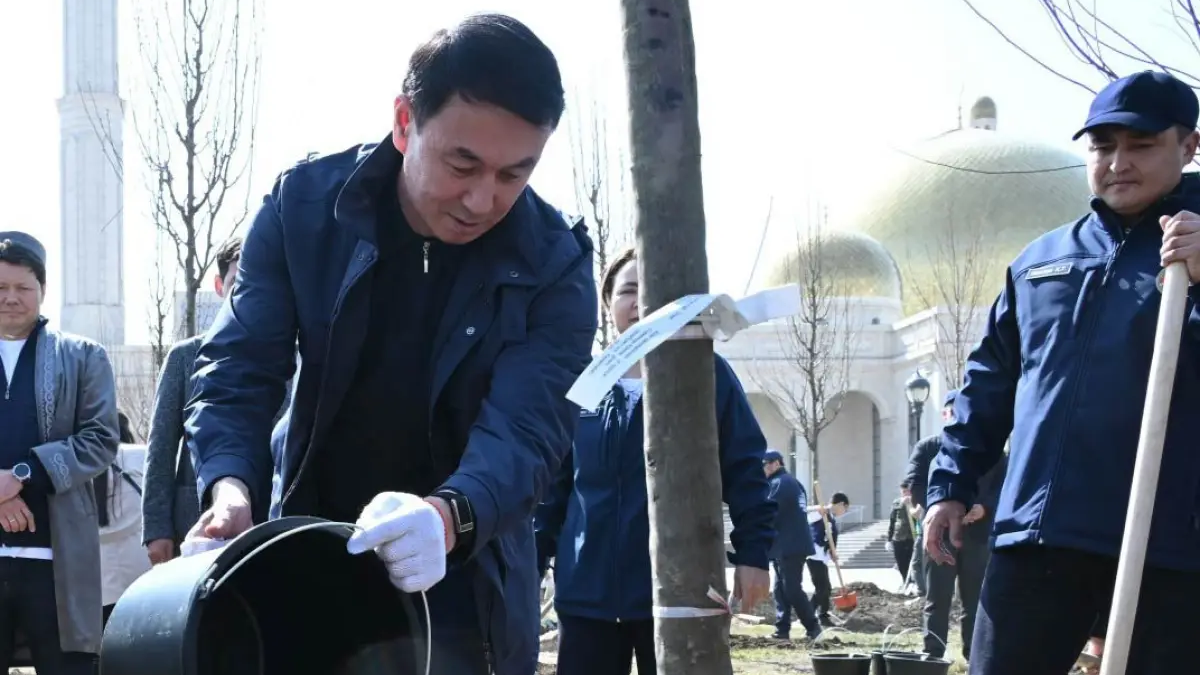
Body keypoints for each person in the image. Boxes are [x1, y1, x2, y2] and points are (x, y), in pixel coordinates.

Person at [182, 14, 596, 675]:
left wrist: (448, 514)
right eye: (463, 163)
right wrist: (230, 489)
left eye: (516, 173)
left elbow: (532, 424)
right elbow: (238, 367)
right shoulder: (305, 208)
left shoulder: (555, 260)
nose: (483, 199)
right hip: (310, 558)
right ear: (405, 122)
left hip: (466, 583)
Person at [924, 70, 1200, 675]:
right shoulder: (1042, 261)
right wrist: (951, 484)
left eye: (1142, 145)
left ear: (1188, 146)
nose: (1118, 163)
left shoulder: (1196, 251)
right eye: (1103, 146)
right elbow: (989, 383)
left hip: (1170, 543)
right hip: (1041, 534)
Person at [533, 248, 775, 674]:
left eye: (653, 293)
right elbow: (554, 487)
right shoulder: (587, 382)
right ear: (607, 303)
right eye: (627, 291)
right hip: (588, 597)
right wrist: (530, 563)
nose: (640, 303)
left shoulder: (707, 376)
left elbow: (745, 467)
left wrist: (753, 555)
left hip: (680, 596)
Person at [0, 231, 120, 675]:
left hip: (56, 561)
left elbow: (100, 438)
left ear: (43, 290)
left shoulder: (83, 356)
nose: (11, 298)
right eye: (0, 288)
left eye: (22, 287)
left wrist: (21, 473)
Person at [142, 237, 244, 565]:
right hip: (195, 528)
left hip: (274, 523)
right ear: (219, 285)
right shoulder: (186, 357)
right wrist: (157, 529)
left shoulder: (296, 359)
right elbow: (160, 450)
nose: (248, 291)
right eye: (236, 282)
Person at [922, 452, 1006, 660]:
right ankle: (933, 653)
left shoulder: (999, 459)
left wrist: (984, 507)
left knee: (975, 599)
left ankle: (974, 653)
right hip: (943, 534)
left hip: (978, 537)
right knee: (937, 596)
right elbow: (933, 487)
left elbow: (1005, 490)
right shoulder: (945, 453)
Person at [760, 449, 821, 641]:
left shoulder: (780, 483)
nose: (763, 469)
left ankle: (813, 627)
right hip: (789, 543)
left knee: (791, 588)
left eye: (765, 464)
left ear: (776, 463)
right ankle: (782, 630)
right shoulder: (792, 483)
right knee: (781, 589)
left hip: (789, 544)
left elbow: (768, 511)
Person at [904, 392, 956, 596]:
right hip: (936, 523)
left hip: (972, 528)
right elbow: (914, 481)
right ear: (945, 414)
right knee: (935, 592)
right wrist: (930, 507)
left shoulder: (982, 448)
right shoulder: (927, 447)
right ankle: (922, 591)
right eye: (953, 411)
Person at [807, 492, 849, 626]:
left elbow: (830, 539)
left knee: (825, 588)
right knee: (823, 587)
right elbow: (807, 517)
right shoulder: (821, 513)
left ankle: (816, 614)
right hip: (814, 555)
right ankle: (815, 615)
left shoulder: (831, 519)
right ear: (841, 504)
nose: (845, 512)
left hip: (822, 557)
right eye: (845, 508)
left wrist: (833, 552)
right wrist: (819, 511)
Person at [887, 481, 916, 587]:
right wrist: (889, 539)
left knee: (912, 563)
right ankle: (906, 582)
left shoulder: (916, 503)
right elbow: (892, 521)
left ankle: (913, 583)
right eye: (903, 492)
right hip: (898, 538)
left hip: (912, 537)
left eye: (907, 491)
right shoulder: (896, 503)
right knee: (901, 563)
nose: (905, 494)